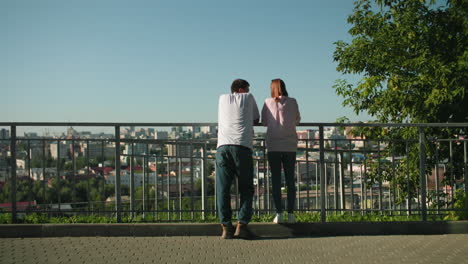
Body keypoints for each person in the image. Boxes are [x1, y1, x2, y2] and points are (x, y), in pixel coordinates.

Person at [216, 79, 260, 239]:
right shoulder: (248, 97)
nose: (249, 91)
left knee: (223, 189)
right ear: (241, 90)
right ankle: (242, 225)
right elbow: (256, 118)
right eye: (247, 89)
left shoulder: (221, 98)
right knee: (246, 189)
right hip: (242, 146)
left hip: (222, 147)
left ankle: (226, 227)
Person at [261, 79, 301, 224]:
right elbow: (297, 120)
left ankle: (279, 213)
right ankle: (291, 214)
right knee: (290, 180)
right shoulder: (293, 101)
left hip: (273, 145)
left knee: (276, 180)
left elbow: (264, 121)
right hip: (290, 145)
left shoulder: (267, 102)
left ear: (272, 89)